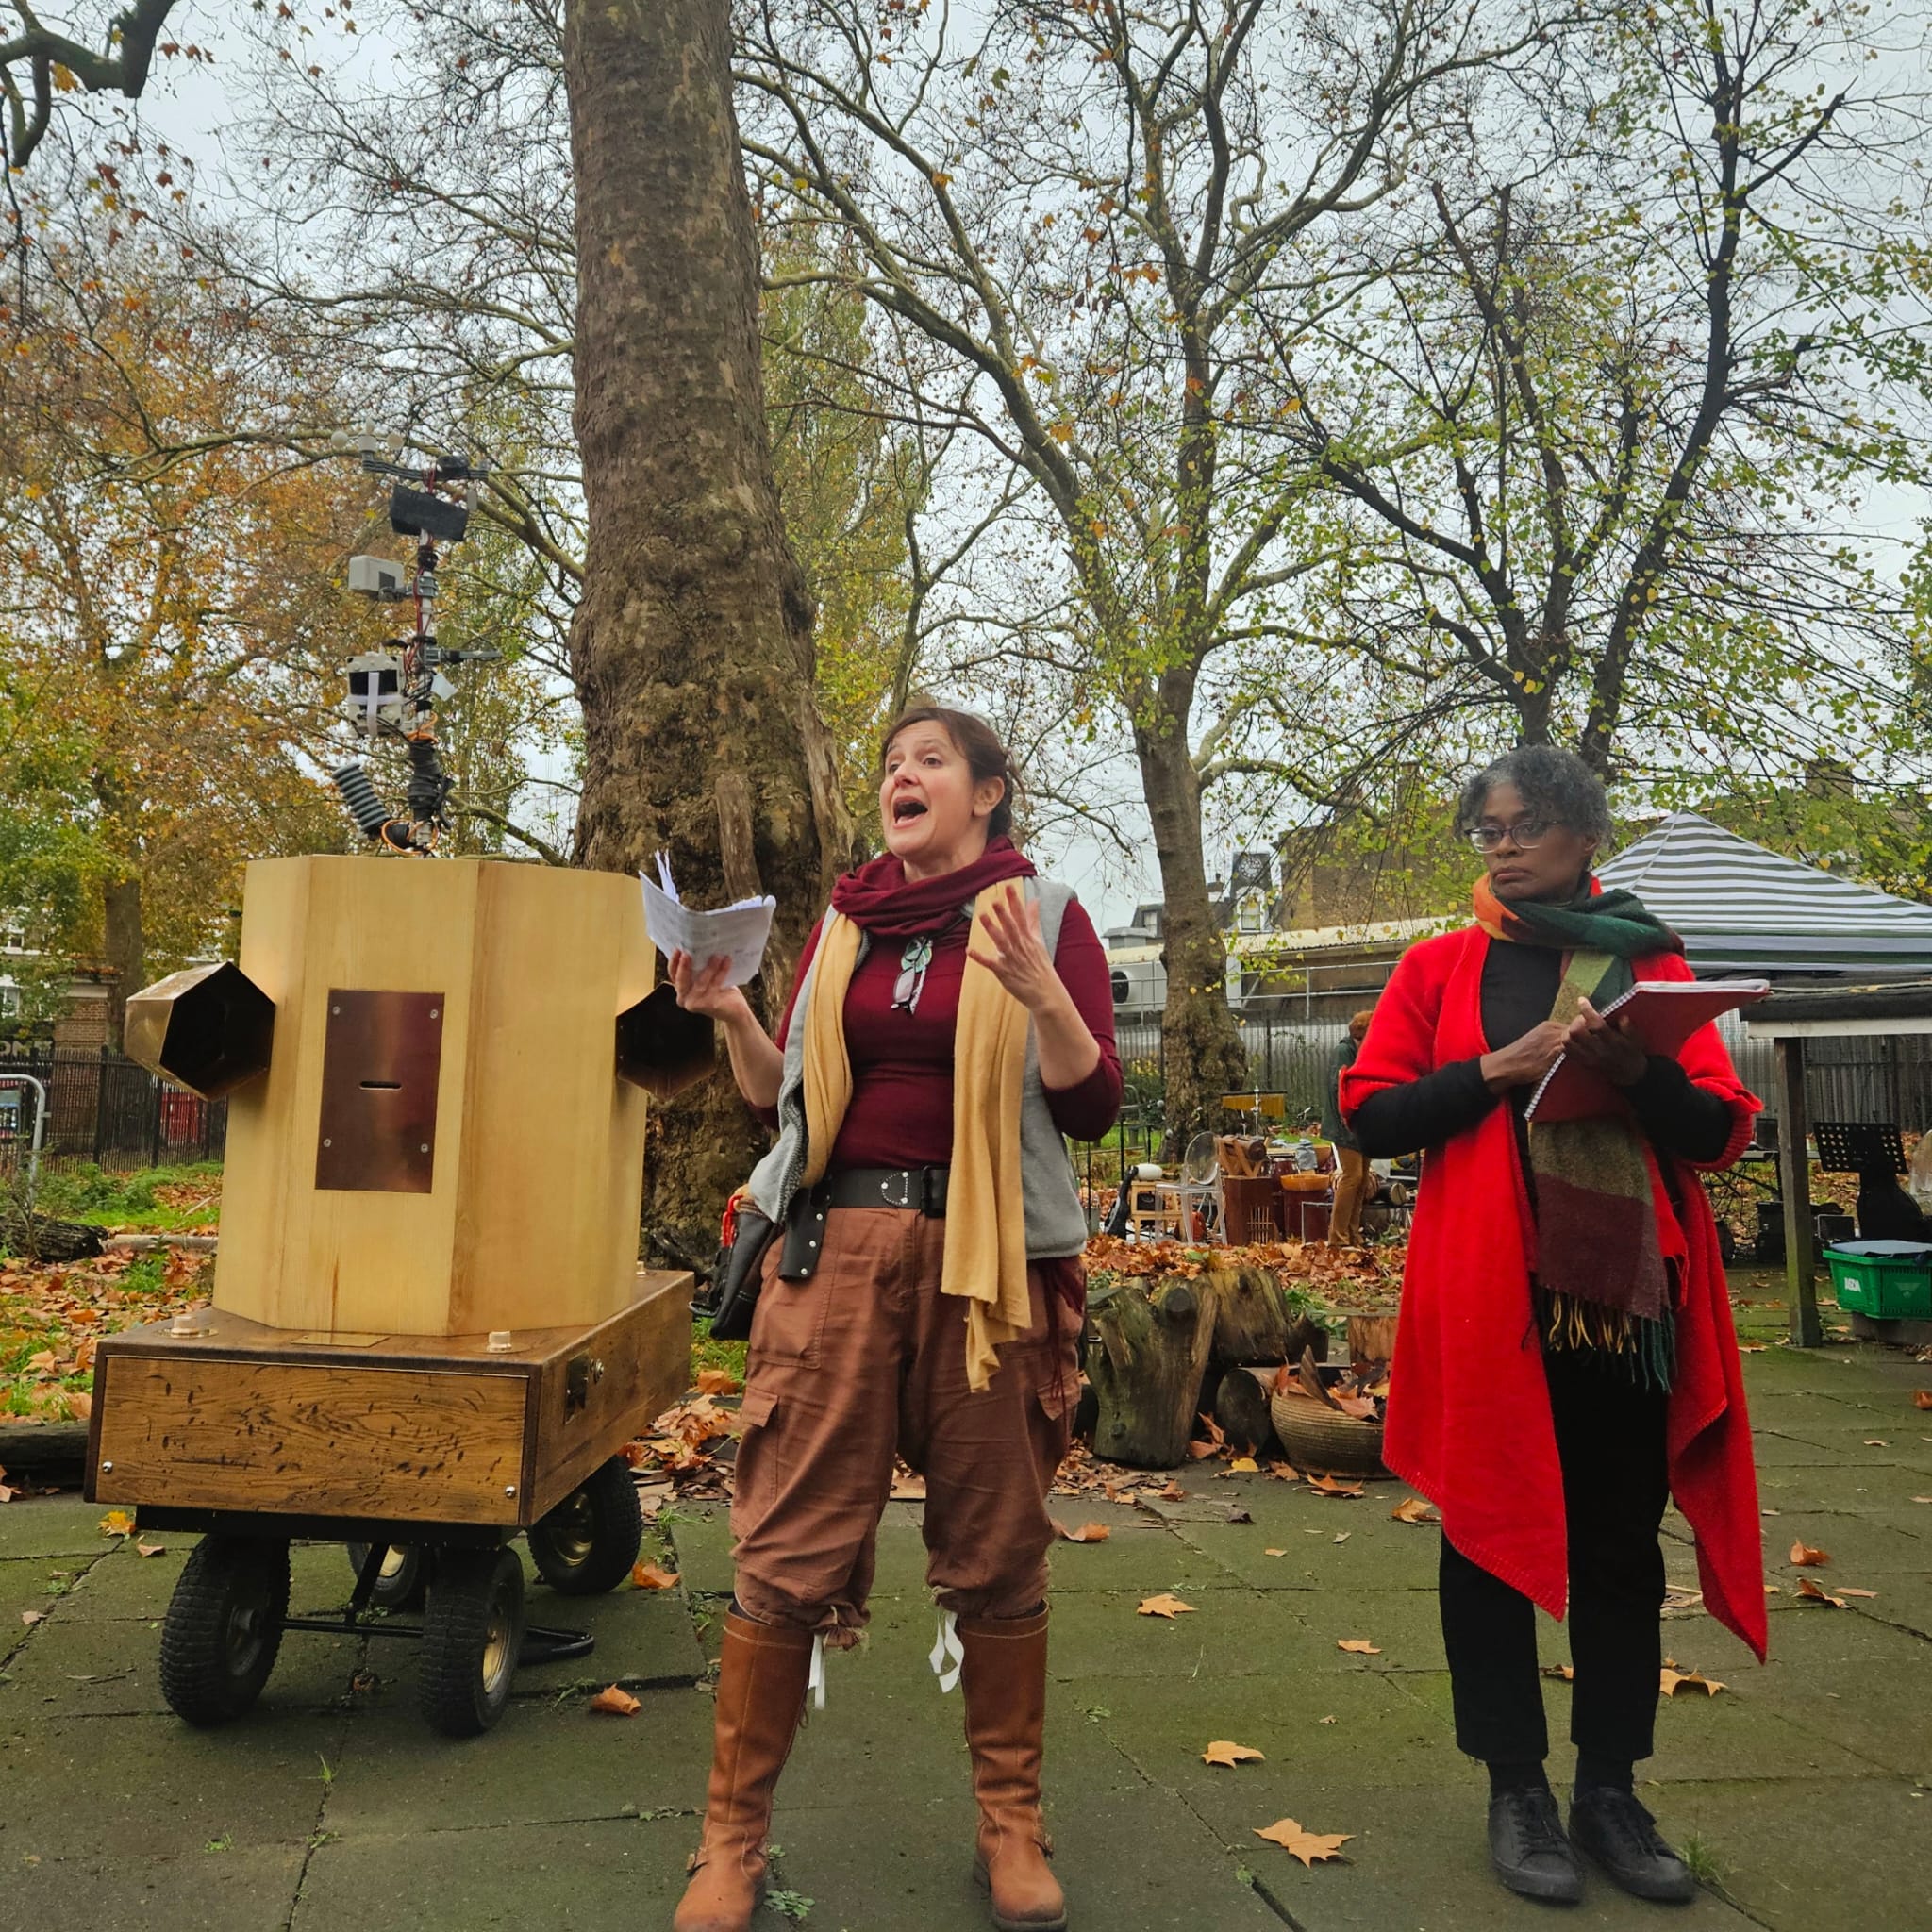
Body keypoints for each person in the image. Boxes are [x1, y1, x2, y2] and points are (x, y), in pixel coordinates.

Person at [666, 703, 1122, 1932]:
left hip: (996, 1265)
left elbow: (1094, 1105)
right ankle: (729, 1848)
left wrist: (1042, 992)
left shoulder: (1049, 917)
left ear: (988, 794)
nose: (900, 777)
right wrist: (735, 1020)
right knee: (784, 1542)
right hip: (835, 1253)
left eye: (929, 761)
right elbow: (790, 1107)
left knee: (998, 1544)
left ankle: (1011, 1829)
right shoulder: (847, 924)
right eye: (890, 764)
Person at [1340, 746, 1765, 1908]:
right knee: (1480, 1536)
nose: (1502, 845)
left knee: (1620, 1549)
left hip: (1628, 1310)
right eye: (1486, 829)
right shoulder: (1439, 965)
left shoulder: (1648, 960)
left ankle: (1609, 1789)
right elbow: (1369, 1114)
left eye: (1524, 825)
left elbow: (1712, 1133)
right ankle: (1514, 1787)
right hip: (1491, 1300)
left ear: (1583, 835)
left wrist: (1632, 1071)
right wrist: (1493, 1066)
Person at [1323, 1008, 1375, 1246]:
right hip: (1344, 1126)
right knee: (1351, 1177)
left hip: (1362, 1125)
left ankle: (1354, 1235)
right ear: (1361, 1035)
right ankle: (1338, 1238)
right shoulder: (1344, 1052)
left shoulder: (1363, 1053)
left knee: (1363, 1179)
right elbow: (1340, 1089)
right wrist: (1346, 1124)